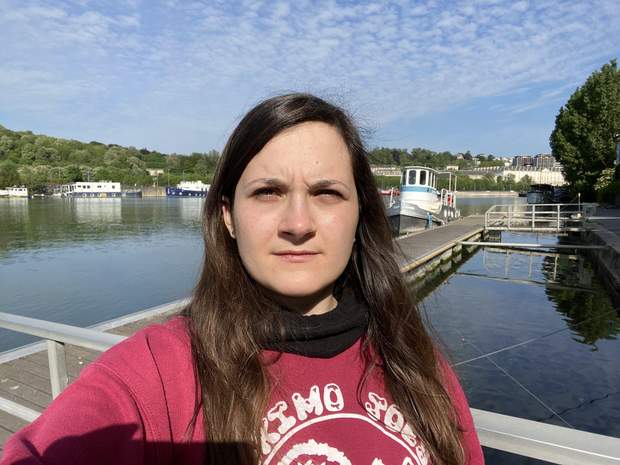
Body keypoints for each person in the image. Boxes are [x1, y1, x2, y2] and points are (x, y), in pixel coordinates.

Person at [1, 93, 484, 465]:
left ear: (360, 213)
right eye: (269, 192)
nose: (298, 224)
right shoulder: (157, 373)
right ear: (228, 216)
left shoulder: (414, 359)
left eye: (327, 193)